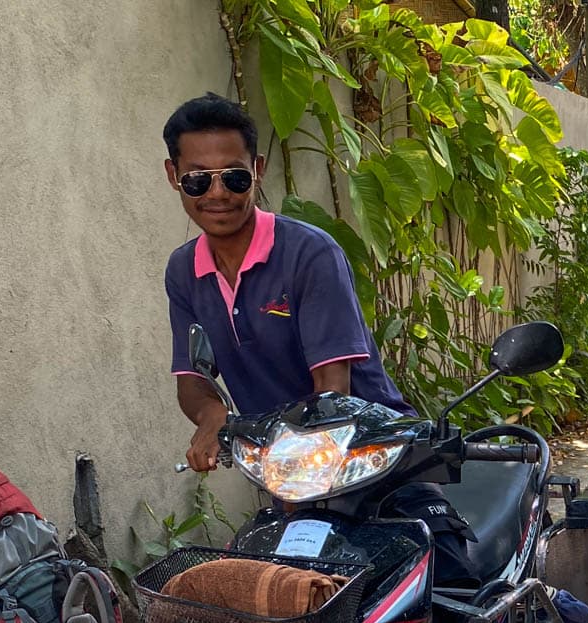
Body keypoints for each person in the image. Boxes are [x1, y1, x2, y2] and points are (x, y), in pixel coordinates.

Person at [161, 93, 479, 585]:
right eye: (198, 179)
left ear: (258, 170)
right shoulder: (184, 271)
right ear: (173, 176)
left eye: (235, 176)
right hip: (294, 478)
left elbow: (333, 390)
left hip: (374, 460)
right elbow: (191, 378)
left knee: (449, 591)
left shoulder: (310, 253)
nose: (217, 193)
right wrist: (212, 417)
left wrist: (297, 479)